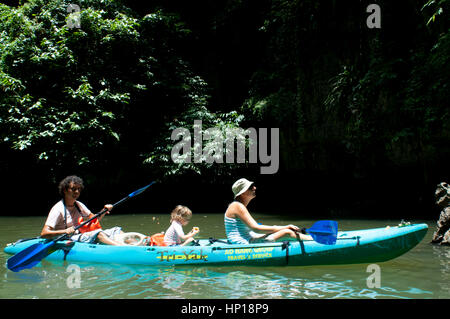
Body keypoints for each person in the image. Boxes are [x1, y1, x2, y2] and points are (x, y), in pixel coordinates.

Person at [40, 175, 124, 245]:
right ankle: (124, 249)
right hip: (68, 238)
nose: (77, 192)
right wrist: (65, 231)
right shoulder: (58, 209)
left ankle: (133, 245)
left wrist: (104, 210)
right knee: (98, 233)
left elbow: (94, 220)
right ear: (65, 190)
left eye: (79, 189)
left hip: (81, 235)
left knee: (117, 230)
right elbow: (44, 233)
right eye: (73, 189)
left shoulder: (79, 205)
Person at [224, 178, 312, 244]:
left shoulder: (237, 205)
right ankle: (314, 240)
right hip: (244, 242)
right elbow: (256, 228)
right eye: (250, 187)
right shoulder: (237, 206)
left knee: (282, 230)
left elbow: (254, 230)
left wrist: (282, 227)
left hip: (249, 237)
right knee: (287, 232)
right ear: (242, 193)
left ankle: (308, 238)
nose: (254, 188)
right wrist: (285, 227)